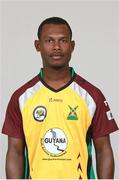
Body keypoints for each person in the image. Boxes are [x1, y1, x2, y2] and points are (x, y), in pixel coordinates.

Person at [2, 17, 118, 179]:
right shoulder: (21, 97)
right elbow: (15, 152)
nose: (56, 47)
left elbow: (104, 149)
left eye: (63, 41)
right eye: (49, 40)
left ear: (72, 46)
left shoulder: (91, 95)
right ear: (38, 45)